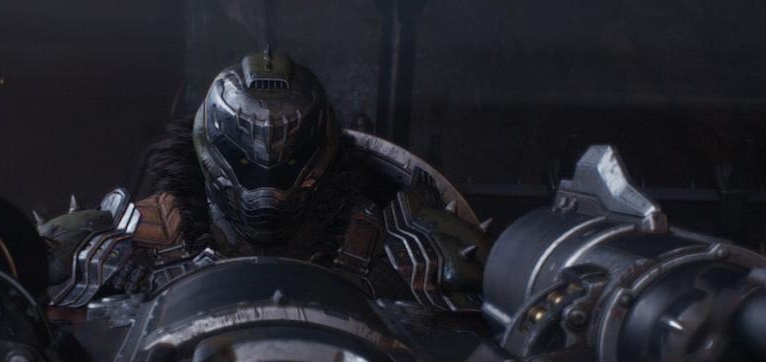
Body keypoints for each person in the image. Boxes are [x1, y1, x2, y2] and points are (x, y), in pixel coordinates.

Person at [39, 49, 490, 311]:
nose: (268, 190)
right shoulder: (135, 238)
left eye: (287, 162)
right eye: (244, 160)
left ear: (320, 156)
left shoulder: (384, 245)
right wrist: (120, 277)